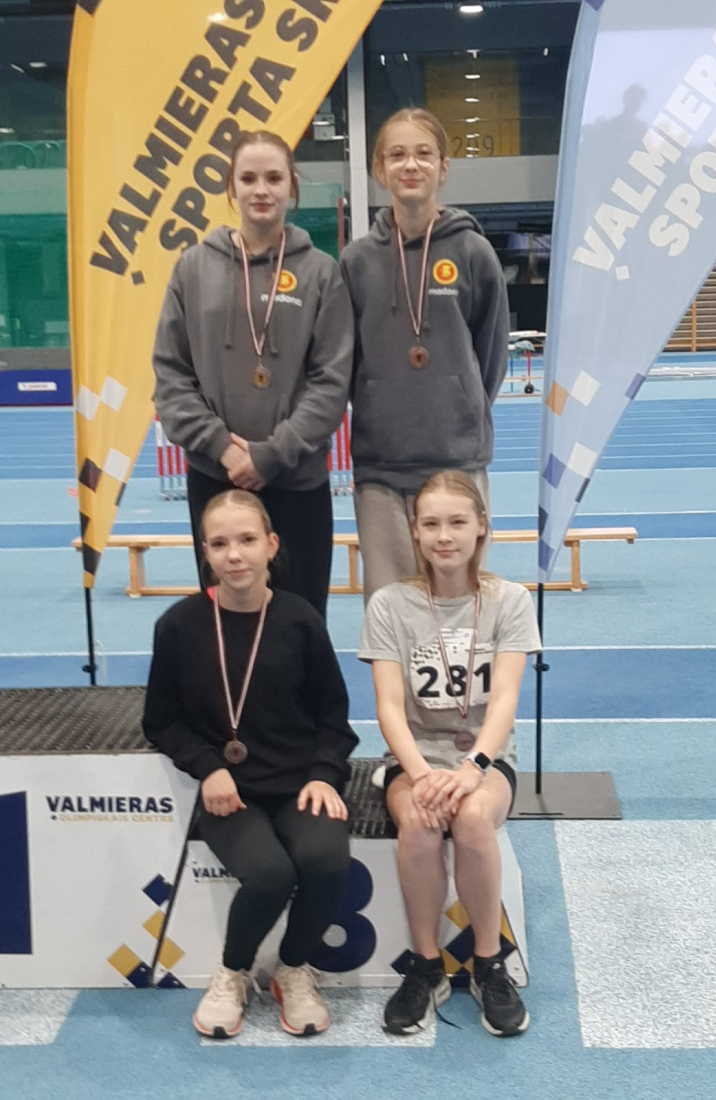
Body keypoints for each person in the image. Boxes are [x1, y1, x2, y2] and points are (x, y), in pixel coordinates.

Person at [143, 489, 358, 1039]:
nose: (234, 554)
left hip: (298, 783)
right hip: (229, 793)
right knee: (269, 874)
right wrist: (208, 766)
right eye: (219, 543)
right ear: (205, 552)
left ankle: (292, 969)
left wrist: (324, 774)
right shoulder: (178, 626)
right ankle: (233, 972)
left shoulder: (300, 620)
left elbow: (334, 716)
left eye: (246, 540)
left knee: (326, 859)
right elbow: (161, 721)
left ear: (272, 545)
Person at [358, 470, 541, 1037]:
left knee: (472, 817)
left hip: (486, 759)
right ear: (414, 531)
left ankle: (489, 963)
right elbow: (389, 707)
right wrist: (421, 775)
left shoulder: (510, 600)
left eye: (457, 522)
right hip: (414, 760)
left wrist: (472, 768)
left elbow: (505, 698)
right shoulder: (390, 604)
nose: (444, 536)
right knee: (418, 820)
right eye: (431, 523)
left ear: (481, 526)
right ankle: (426, 964)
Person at [153, 130, 353, 619]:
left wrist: (270, 455)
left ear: (292, 186)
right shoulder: (192, 269)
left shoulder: (321, 272)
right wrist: (223, 448)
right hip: (215, 479)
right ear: (231, 186)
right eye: (248, 178)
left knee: (302, 620)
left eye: (273, 178)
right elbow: (171, 377)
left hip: (298, 480)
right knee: (227, 626)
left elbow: (331, 381)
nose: (261, 189)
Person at [340, 109, 510, 603]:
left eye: (423, 154)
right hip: (382, 468)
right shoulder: (356, 262)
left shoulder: (474, 253)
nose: (410, 164)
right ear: (379, 169)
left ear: (443, 167)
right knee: (391, 610)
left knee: (459, 608)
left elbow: (490, 355)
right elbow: (346, 362)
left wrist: (459, 404)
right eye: (397, 155)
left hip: (456, 462)